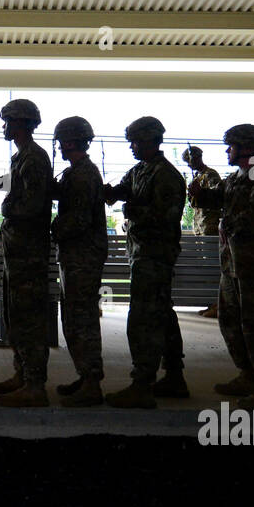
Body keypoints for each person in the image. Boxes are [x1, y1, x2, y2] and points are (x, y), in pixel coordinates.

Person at [195, 125, 254, 410]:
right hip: (234, 265)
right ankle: (248, 375)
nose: (227, 151)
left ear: (246, 148)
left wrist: (228, 223)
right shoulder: (237, 178)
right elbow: (220, 199)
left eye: (231, 146)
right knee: (232, 321)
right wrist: (201, 194)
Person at [103, 116, 188, 408]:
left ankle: (142, 384)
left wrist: (131, 209)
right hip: (143, 253)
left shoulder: (165, 175)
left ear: (152, 140)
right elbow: (123, 189)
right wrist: (110, 193)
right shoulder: (142, 170)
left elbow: (165, 216)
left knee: (144, 319)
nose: (132, 147)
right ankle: (174, 377)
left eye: (136, 142)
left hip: (155, 255)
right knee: (162, 314)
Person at [0, 98, 54, 407]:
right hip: (17, 252)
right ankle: (22, 373)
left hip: (28, 253)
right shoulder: (22, 158)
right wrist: (1, 183)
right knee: (15, 314)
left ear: (22, 123)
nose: (4, 127)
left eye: (8, 121)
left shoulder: (35, 158)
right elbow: (21, 187)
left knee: (29, 317)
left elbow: (33, 203)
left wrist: (6, 205)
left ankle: (34, 384)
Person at [51, 116, 108, 407]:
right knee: (73, 318)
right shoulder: (77, 173)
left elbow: (80, 220)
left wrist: (54, 229)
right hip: (76, 256)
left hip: (82, 257)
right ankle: (85, 376)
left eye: (62, 141)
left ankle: (91, 382)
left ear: (70, 141)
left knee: (82, 319)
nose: (59, 146)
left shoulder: (83, 174)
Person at [184, 145, 223, 318]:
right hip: (200, 227)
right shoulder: (197, 177)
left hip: (210, 226)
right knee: (206, 267)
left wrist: (201, 193)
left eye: (191, 161)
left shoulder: (211, 175)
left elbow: (218, 197)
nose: (190, 165)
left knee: (214, 267)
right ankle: (212, 302)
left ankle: (219, 304)